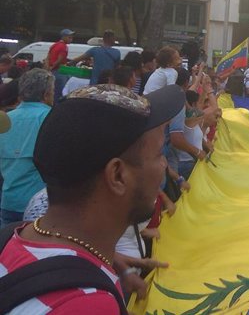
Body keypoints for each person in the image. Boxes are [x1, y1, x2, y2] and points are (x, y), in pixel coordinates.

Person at [0, 83, 184, 312]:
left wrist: (107, 260)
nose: (164, 165)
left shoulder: (15, 237)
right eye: (158, 154)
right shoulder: (88, 304)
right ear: (117, 175)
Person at [0, 69, 54, 227]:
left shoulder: (6, 119)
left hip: (8, 201)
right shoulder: (51, 118)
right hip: (39, 206)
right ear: (45, 94)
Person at [46, 28, 74, 101]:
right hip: (60, 71)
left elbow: (48, 58)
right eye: (69, 37)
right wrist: (53, 67)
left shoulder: (54, 45)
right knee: (61, 93)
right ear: (63, 37)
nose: (71, 39)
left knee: (53, 91)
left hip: (52, 71)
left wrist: (48, 68)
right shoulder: (64, 47)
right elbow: (59, 60)